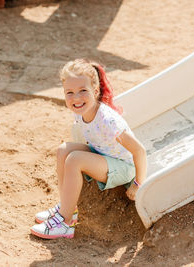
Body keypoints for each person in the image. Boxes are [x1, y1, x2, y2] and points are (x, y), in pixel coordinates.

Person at [30, 59, 147, 239]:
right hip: (104, 155)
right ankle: (66, 208)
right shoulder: (81, 112)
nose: (76, 98)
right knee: (63, 150)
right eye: (70, 92)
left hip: (124, 167)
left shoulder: (108, 121)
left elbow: (139, 151)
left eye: (82, 91)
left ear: (95, 90)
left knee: (75, 159)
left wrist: (137, 184)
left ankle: (66, 222)